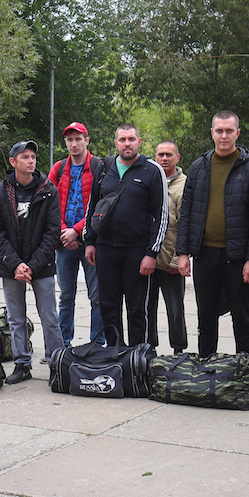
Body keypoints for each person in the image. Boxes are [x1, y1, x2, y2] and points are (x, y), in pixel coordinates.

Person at [176, 110, 249, 357]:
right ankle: (206, 367)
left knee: (242, 318)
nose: (224, 136)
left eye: (229, 131)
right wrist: (182, 253)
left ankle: (244, 368)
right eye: (219, 131)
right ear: (212, 133)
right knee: (206, 318)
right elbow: (187, 213)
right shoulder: (199, 167)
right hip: (204, 255)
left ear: (237, 133)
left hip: (237, 257)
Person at [84, 124, 168, 347]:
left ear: (139, 142)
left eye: (131, 139)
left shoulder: (152, 170)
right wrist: (89, 241)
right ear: (116, 143)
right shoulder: (104, 167)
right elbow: (92, 206)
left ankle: (139, 355)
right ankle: (115, 353)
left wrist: (152, 253)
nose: (127, 143)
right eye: (122, 140)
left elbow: (162, 215)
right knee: (108, 306)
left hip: (137, 252)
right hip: (105, 249)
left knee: (137, 309)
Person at [0, 140, 64, 383]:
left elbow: (52, 232)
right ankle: (22, 364)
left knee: (50, 317)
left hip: (41, 265)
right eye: (25, 157)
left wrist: (32, 265)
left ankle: (57, 364)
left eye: (33, 156)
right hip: (11, 266)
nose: (31, 161)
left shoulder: (48, 190)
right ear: (13, 162)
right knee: (15, 318)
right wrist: (16, 264)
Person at [48, 122, 103, 346]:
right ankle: (63, 344)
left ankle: (97, 344)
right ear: (65, 143)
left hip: (91, 243)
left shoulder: (99, 166)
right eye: (70, 140)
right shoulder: (59, 168)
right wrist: (64, 232)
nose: (74, 144)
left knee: (97, 297)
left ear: (86, 141)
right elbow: (48, 203)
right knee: (65, 297)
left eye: (78, 139)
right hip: (64, 243)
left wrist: (77, 231)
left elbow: (101, 206)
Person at [146, 140, 188, 354]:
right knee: (147, 307)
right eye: (160, 154)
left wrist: (176, 259)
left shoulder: (185, 185)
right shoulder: (149, 179)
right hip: (149, 259)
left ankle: (178, 350)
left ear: (177, 158)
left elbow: (186, 225)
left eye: (168, 155)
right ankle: (149, 347)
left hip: (171, 261)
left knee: (175, 308)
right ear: (154, 156)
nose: (164, 158)